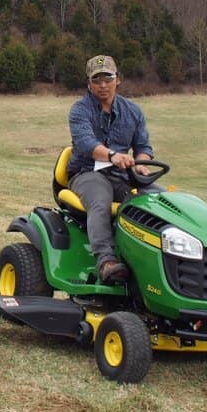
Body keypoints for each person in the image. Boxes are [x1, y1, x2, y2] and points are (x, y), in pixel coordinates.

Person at [67, 54, 153, 282]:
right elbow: (86, 143)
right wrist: (113, 155)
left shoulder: (133, 112)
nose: (103, 85)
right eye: (97, 80)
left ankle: (146, 258)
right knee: (100, 199)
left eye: (108, 78)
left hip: (121, 176)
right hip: (87, 173)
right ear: (89, 84)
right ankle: (106, 261)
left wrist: (142, 164)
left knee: (153, 202)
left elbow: (143, 147)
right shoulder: (80, 111)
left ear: (118, 80)